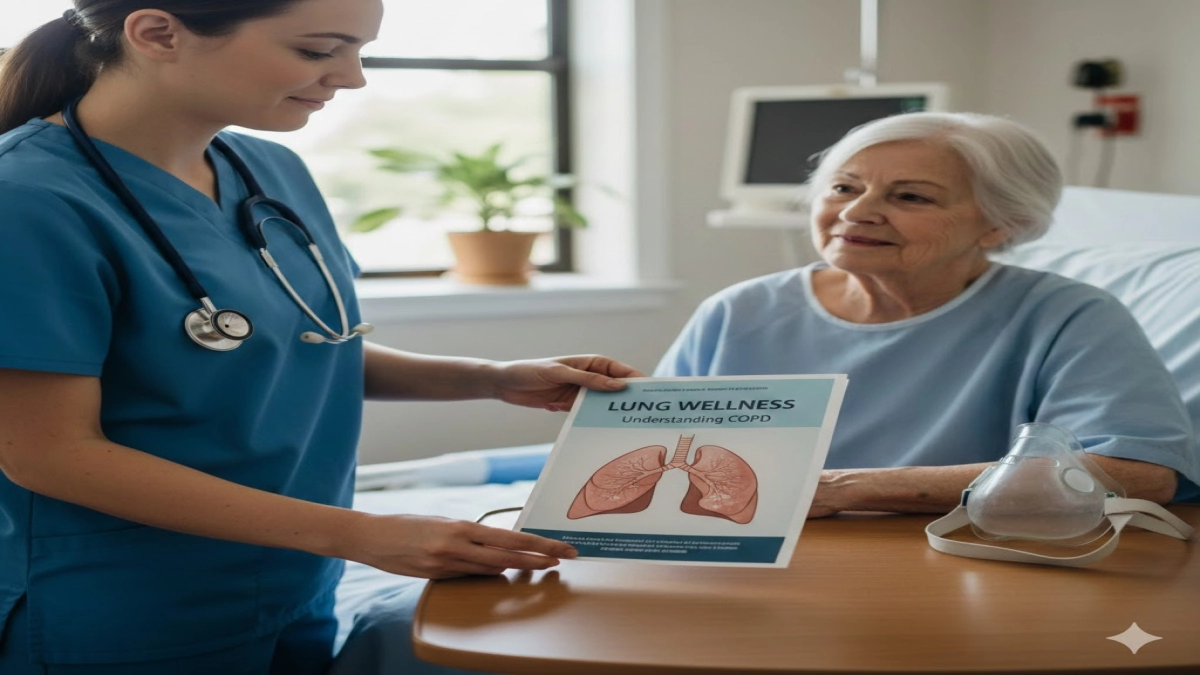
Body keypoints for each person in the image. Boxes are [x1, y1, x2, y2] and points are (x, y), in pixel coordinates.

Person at [0, 2, 641, 673]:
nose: (352, 78)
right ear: (158, 33)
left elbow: (305, 342)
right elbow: (51, 454)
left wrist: (492, 377)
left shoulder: (268, 171)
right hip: (122, 611)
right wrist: (363, 534)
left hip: (295, 584)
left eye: (360, 51)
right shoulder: (29, 200)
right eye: (318, 51)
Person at [656, 111, 1200, 515]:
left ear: (1000, 223)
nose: (855, 212)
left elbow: (1139, 473)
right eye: (843, 187)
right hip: (755, 559)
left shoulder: (1069, 317)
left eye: (910, 198)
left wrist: (848, 488)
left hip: (953, 560)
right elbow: (659, 454)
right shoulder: (739, 312)